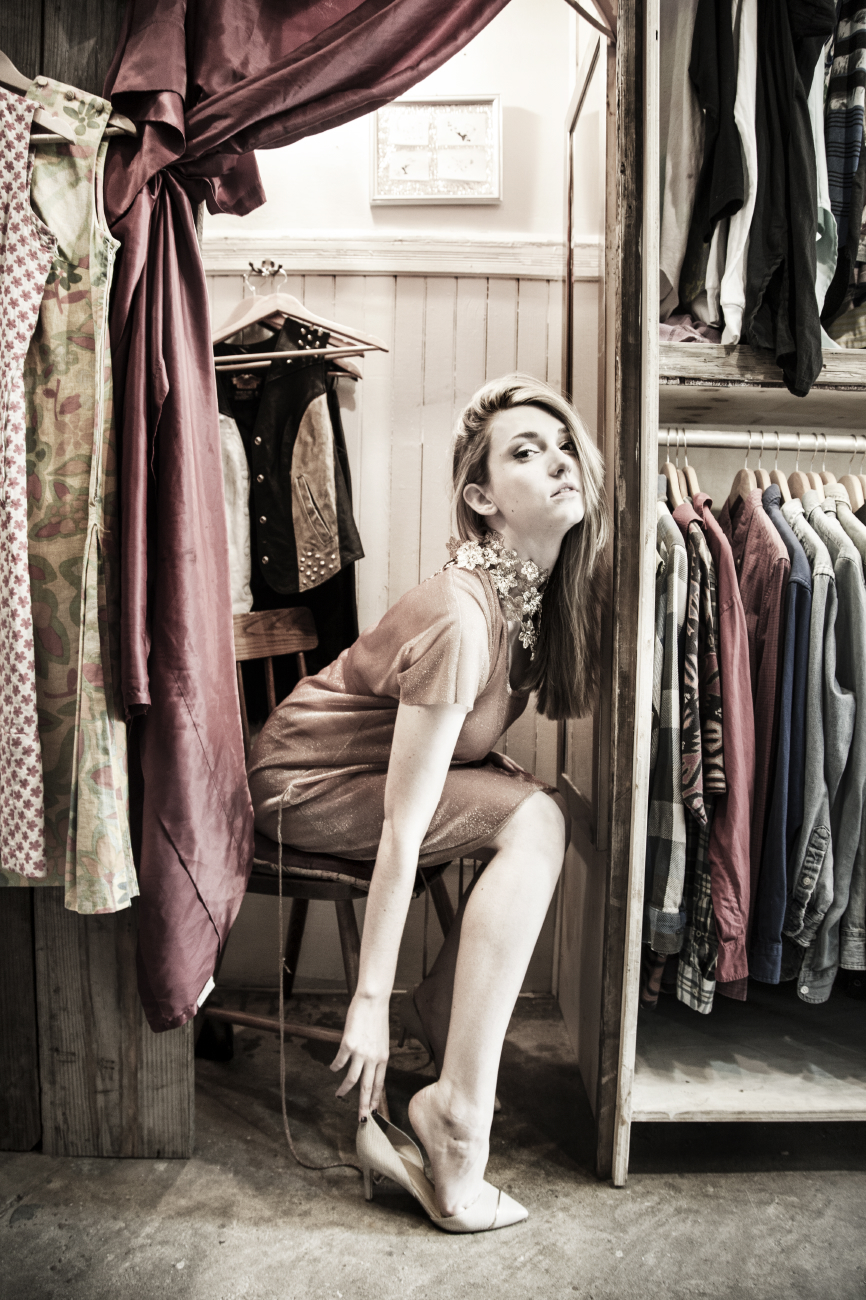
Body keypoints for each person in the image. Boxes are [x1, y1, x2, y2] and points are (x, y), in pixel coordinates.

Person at [248, 374, 609, 1232]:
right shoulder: (461, 617)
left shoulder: (530, 603)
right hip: (303, 784)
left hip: (363, 775)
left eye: (565, 446)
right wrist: (368, 1003)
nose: (560, 462)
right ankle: (453, 1118)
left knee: (550, 812)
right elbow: (402, 829)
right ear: (482, 500)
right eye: (528, 452)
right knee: (540, 818)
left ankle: (443, 1017)